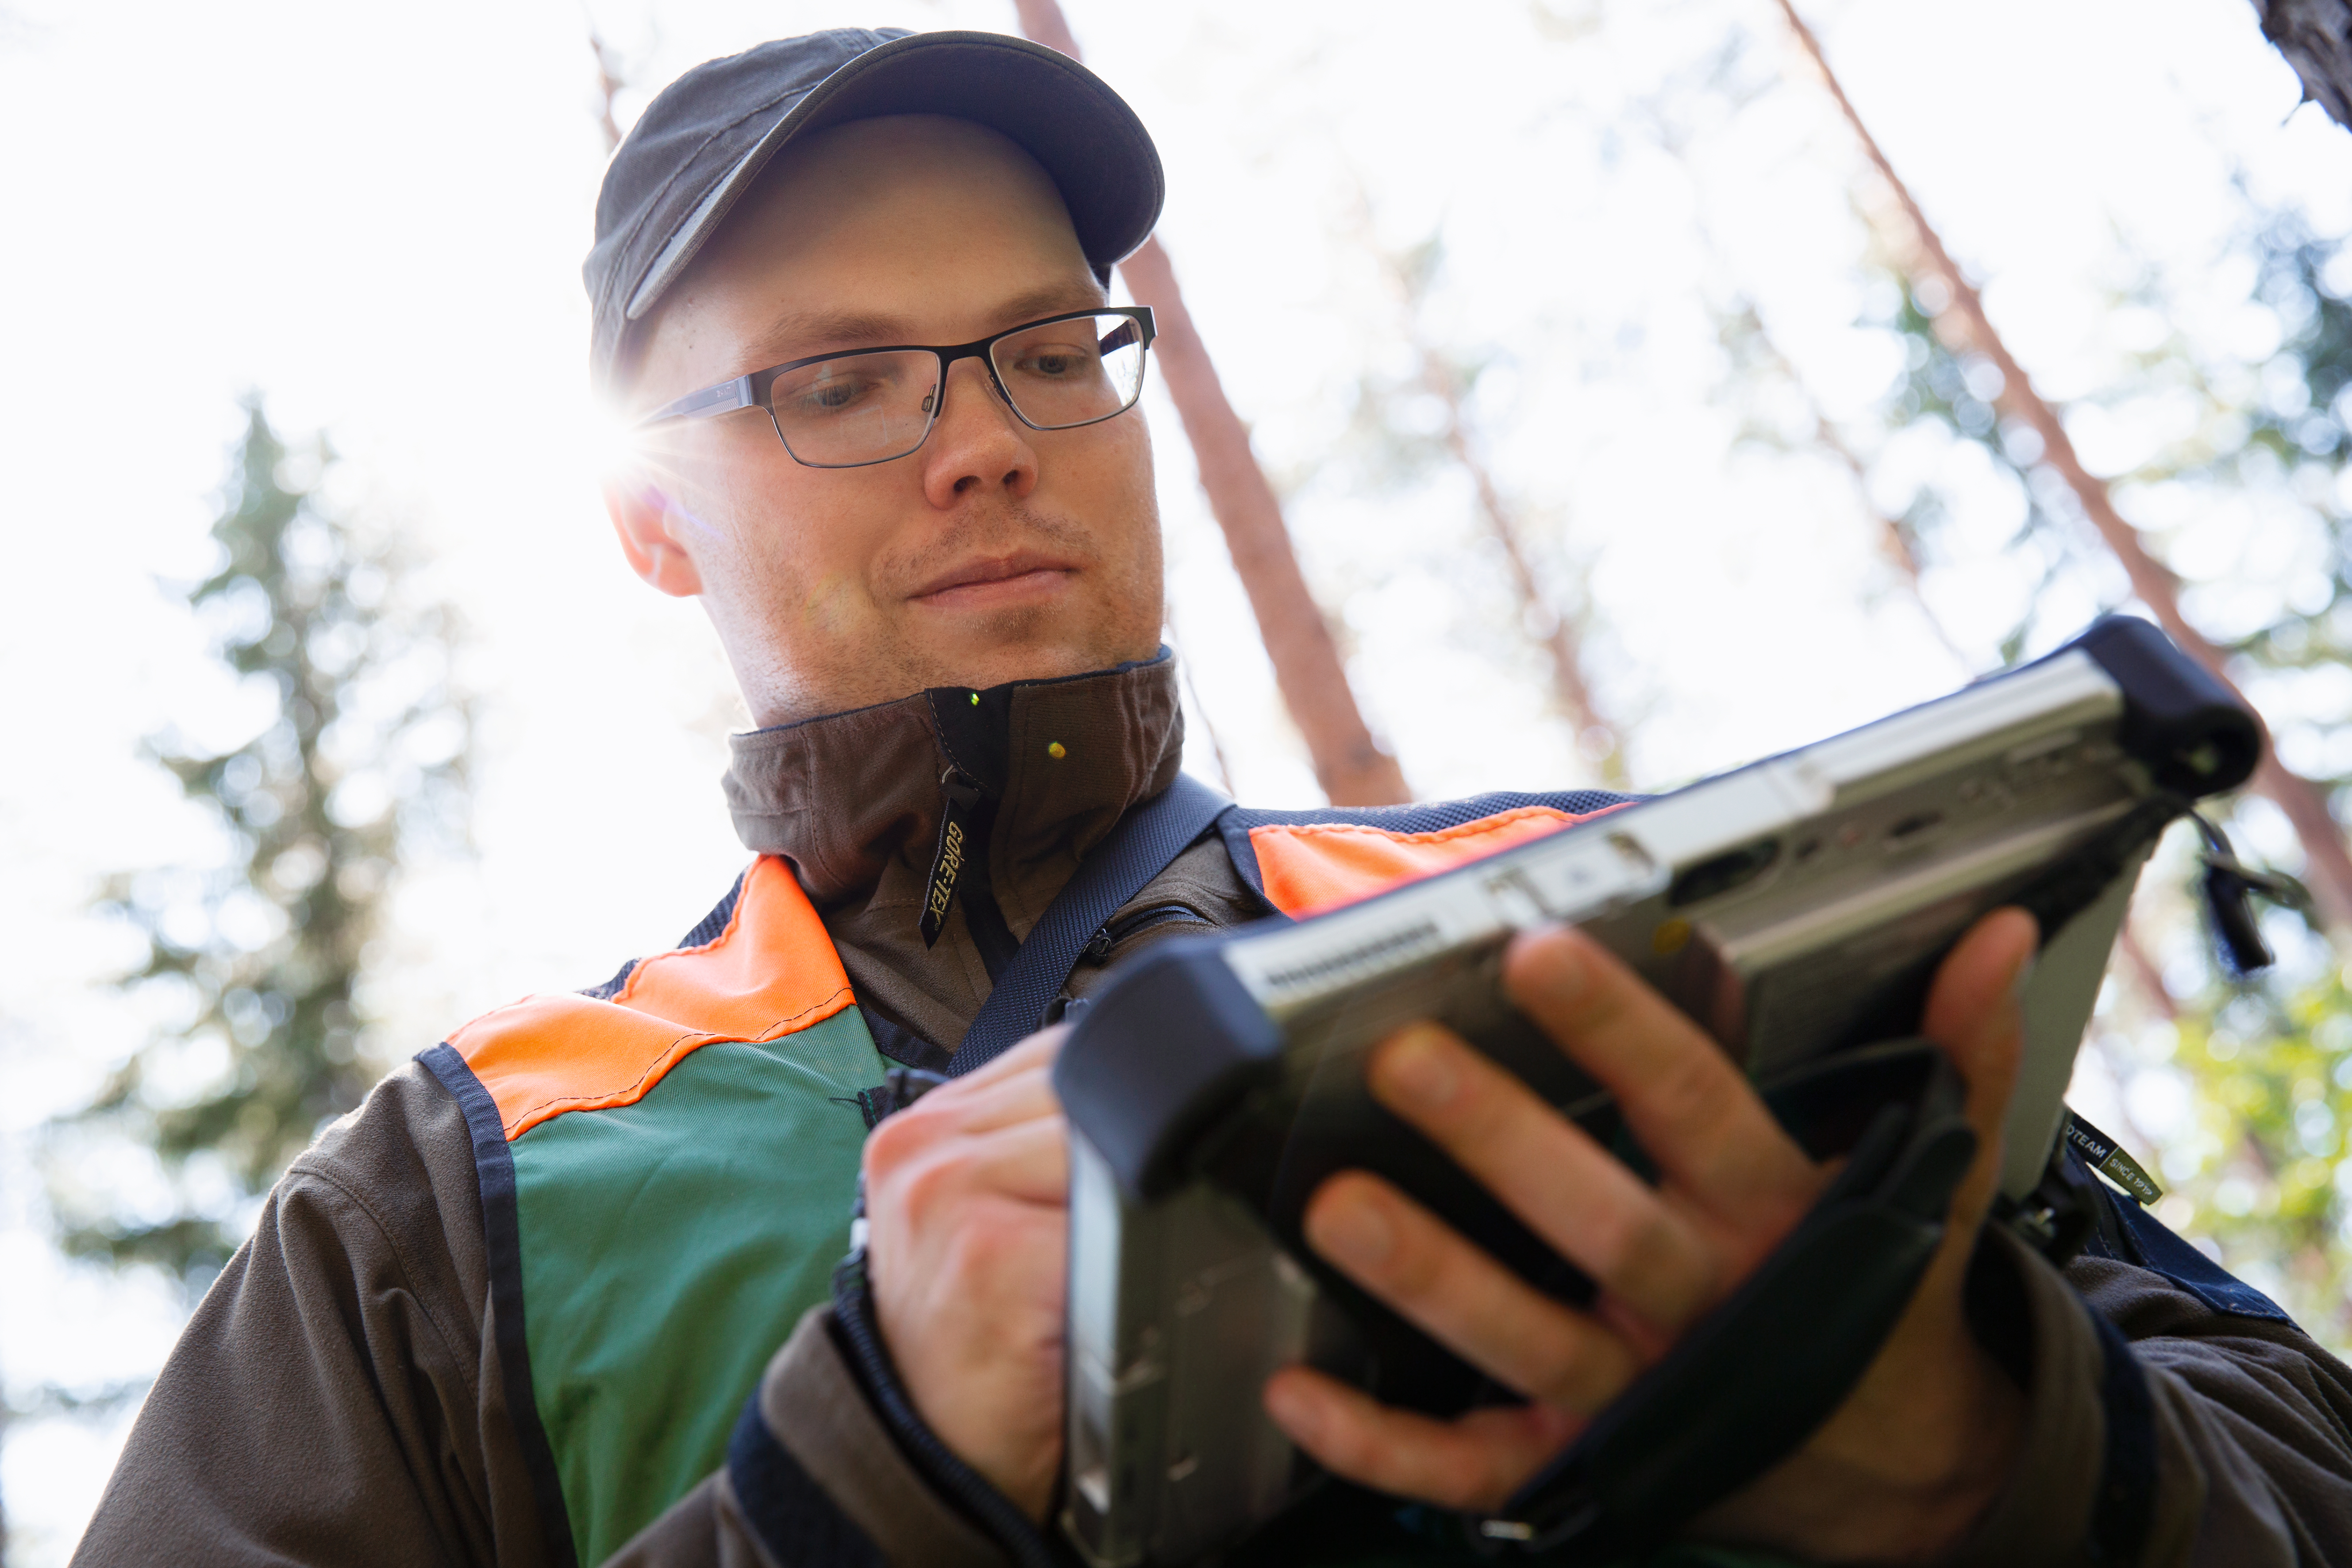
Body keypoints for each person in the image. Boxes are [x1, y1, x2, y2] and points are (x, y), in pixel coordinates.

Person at [72, 27, 2352, 1568]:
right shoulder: (450, 1205)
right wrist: (852, 1492)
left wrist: (1977, 1438)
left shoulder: (1624, 911)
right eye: (842, 381)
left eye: (1052, 350)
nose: (986, 434)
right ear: (649, 525)